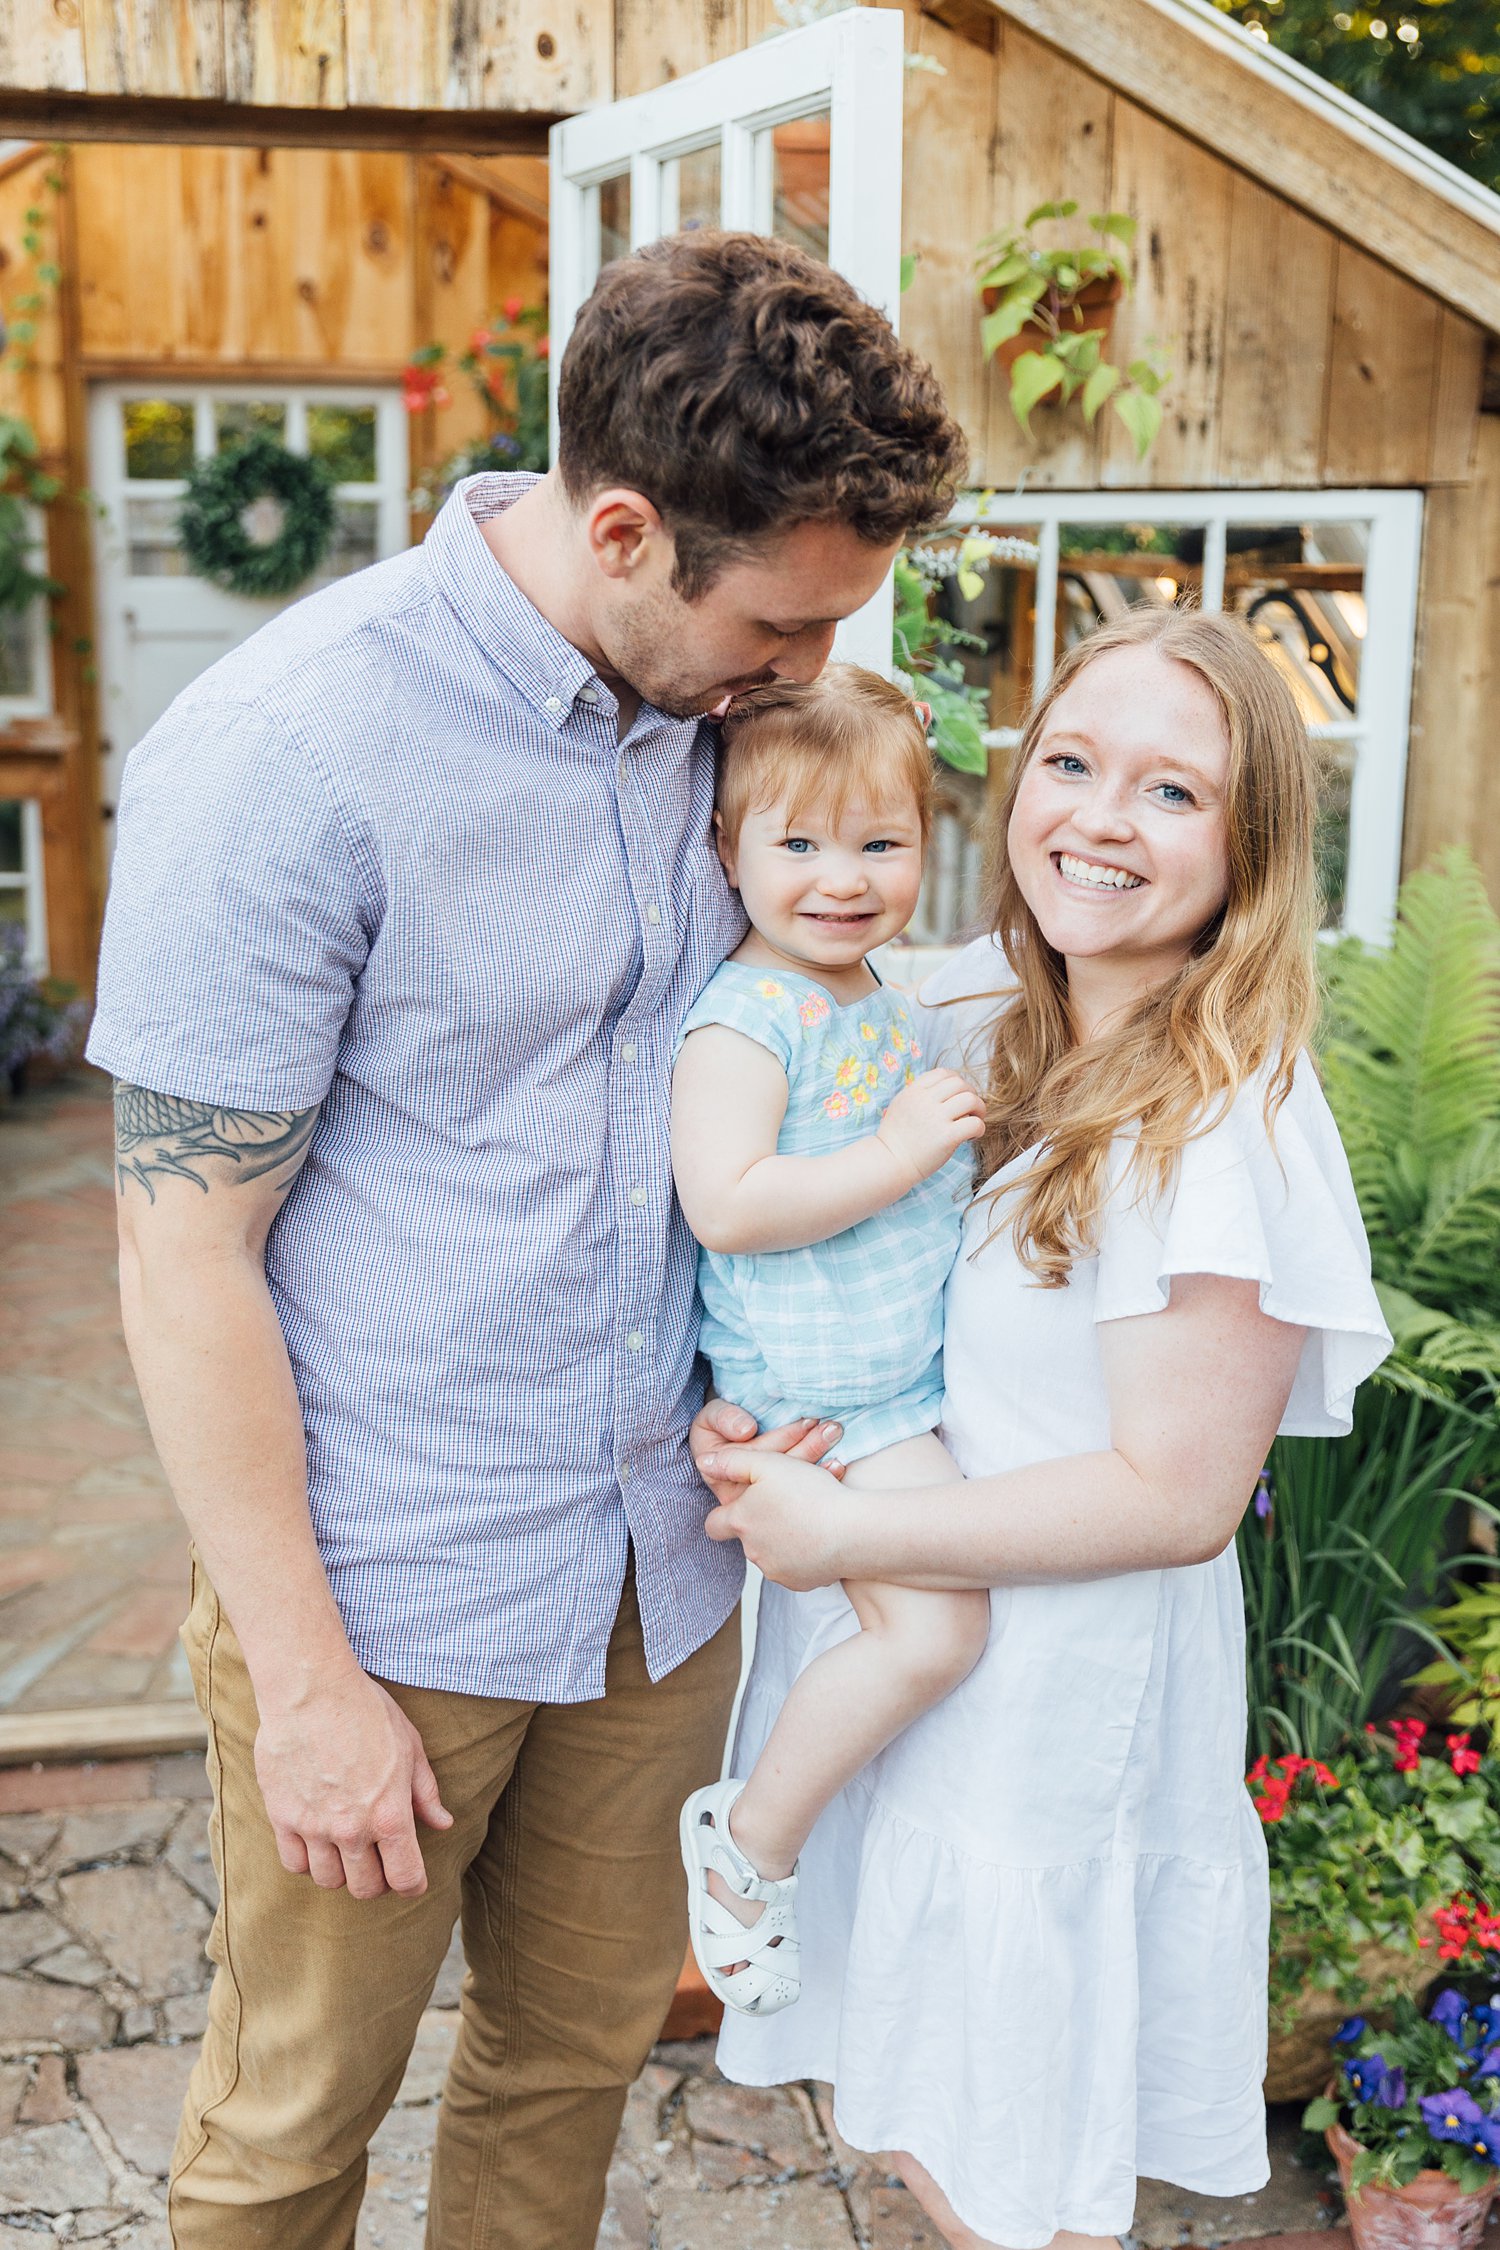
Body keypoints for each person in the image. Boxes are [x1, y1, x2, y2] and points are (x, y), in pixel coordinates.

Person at [85, 229, 966, 2249]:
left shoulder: (725, 720)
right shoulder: (284, 752)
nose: (812, 675)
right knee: (294, 2121)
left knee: (567, 2071)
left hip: (664, 1570)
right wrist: (305, 1680)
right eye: (779, 624)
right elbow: (180, 1261)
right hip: (389, 1594)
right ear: (631, 527)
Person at [694, 608, 1394, 2250]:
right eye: (1071, 761)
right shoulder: (984, 1006)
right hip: (916, 1673)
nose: (1094, 814)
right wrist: (759, 1418)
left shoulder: (1225, 1119)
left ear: (1253, 845)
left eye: (1170, 792)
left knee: (1023, 2182)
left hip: (1049, 1720)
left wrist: (851, 1532)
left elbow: (1175, 1494)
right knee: (928, 2131)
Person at [670, 667, 988, 2015]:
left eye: (880, 842)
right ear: (727, 850)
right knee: (934, 1634)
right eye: (797, 843)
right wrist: (895, 1146)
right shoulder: (746, 1017)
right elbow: (728, 1205)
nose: (841, 877)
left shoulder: (874, 990)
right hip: (830, 1396)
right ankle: (749, 1846)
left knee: (918, 1634)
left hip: (888, 1377)